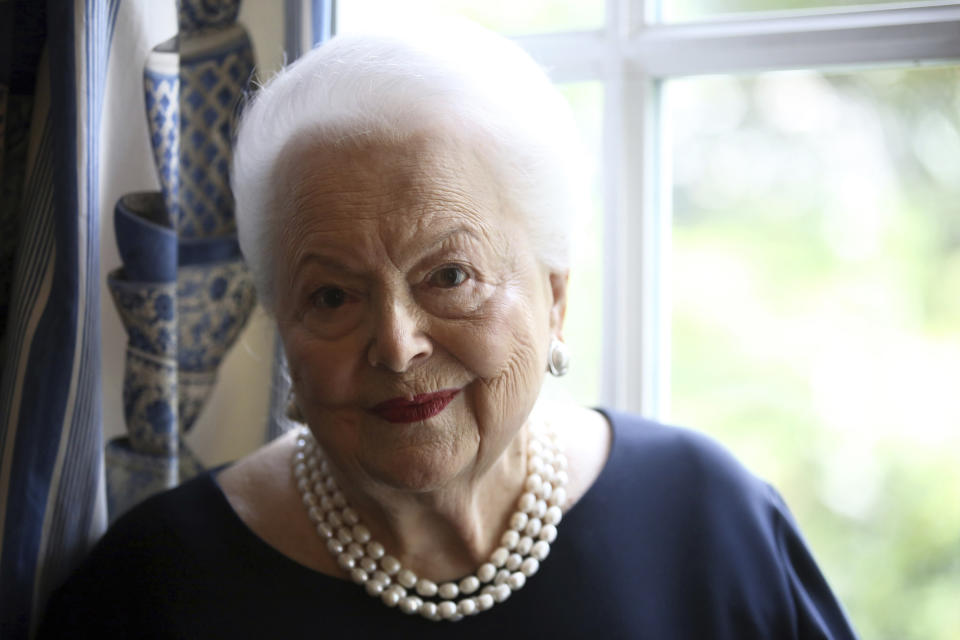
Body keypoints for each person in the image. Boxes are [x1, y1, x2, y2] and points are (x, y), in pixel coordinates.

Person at [40, 20, 858, 638]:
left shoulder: (707, 521)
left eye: (450, 275)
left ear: (556, 296)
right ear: (281, 321)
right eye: (331, 296)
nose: (396, 345)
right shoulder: (156, 587)